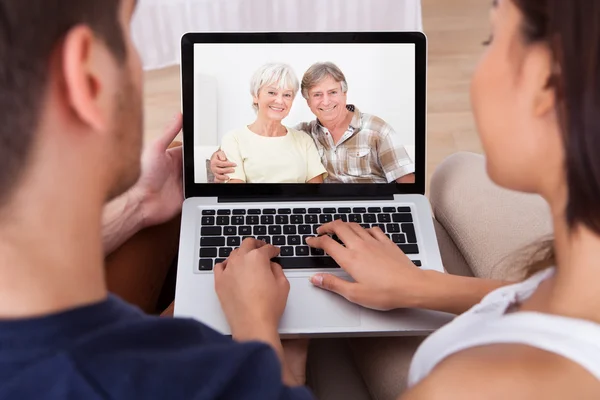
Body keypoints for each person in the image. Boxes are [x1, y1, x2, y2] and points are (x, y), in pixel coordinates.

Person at [225, 0, 600, 398]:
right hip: (415, 276)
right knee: (454, 170)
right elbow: (542, 296)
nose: (324, 102)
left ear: (544, 81)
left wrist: (257, 329)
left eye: (492, 38)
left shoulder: (469, 387)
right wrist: (423, 284)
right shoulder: (578, 274)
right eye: (314, 96)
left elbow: (403, 182)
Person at [0, 0, 313, 398]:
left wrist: (137, 206)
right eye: (128, 32)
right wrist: (258, 327)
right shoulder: (204, 379)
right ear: (86, 76)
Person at [211, 61, 416, 184]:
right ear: (307, 102)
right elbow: (265, 142)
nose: (326, 102)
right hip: (328, 217)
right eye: (317, 95)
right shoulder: (306, 133)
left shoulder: (377, 131)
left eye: (333, 92)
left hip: (373, 209)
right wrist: (214, 159)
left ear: (344, 93)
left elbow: (408, 188)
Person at [219, 62, 327, 183]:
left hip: (296, 202)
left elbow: (314, 193)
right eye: (272, 92)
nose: (280, 101)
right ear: (255, 95)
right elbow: (236, 196)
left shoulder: (304, 140)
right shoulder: (234, 139)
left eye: (287, 95)